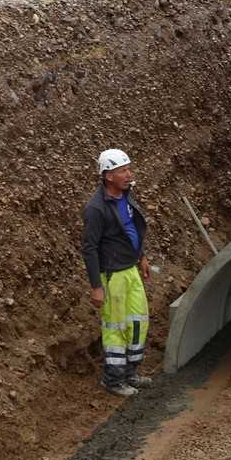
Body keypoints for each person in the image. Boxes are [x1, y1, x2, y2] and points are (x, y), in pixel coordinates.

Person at [82, 148, 152, 397]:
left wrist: (141, 256)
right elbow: (89, 247)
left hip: (130, 268)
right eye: (122, 170)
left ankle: (131, 373)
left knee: (138, 322)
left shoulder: (126, 196)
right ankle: (113, 380)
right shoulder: (96, 208)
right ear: (107, 175)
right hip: (112, 275)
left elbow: (131, 230)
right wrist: (96, 286)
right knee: (115, 327)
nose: (128, 174)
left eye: (128, 169)